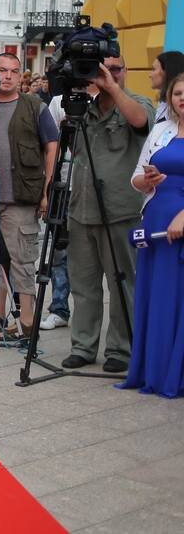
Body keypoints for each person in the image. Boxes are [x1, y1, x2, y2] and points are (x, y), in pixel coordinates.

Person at [61, 51, 152, 372]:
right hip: (82, 210)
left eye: (116, 69)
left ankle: (120, 350)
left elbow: (141, 122)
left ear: (126, 71)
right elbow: (73, 149)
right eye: (104, 70)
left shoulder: (137, 102)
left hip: (120, 210)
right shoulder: (84, 110)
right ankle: (83, 345)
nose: (109, 74)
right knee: (83, 284)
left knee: (121, 283)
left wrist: (112, 89)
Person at [0, 52, 59, 342]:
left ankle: (27, 321)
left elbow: (52, 146)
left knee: (21, 258)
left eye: (14, 71)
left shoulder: (34, 105)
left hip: (21, 195)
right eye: (2, 70)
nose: (8, 76)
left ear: (21, 76)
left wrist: (47, 190)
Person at [124, 72, 184, 396]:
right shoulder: (160, 130)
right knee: (154, 296)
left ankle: (176, 373)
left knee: (178, 299)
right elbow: (135, 175)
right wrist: (145, 181)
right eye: (177, 93)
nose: (182, 98)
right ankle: (153, 371)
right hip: (156, 222)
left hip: (181, 225)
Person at [149, 50, 184, 123]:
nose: (150, 75)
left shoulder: (179, 108)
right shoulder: (162, 103)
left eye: (153, 69)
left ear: (166, 72)